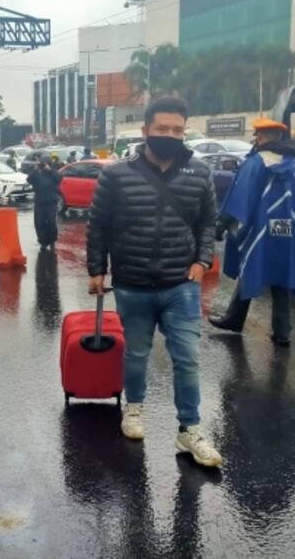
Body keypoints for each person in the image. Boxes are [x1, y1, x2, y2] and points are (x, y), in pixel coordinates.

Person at [87, 97, 222, 468]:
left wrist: (202, 260)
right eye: (162, 129)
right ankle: (133, 409)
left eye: (177, 130)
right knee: (137, 352)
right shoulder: (116, 175)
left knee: (188, 359)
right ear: (145, 131)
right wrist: (96, 270)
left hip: (182, 283)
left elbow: (208, 222)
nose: (170, 135)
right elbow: (98, 225)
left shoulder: (199, 173)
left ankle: (189, 430)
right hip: (132, 282)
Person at [209, 118, 295, 346]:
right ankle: (282, 333)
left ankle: (233, 319)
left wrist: (221, 226)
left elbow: (241, 199)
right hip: (291, 230)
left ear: (260, 136)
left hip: (263, 231)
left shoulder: (257, 161)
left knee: (251, 267)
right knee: (282, 278)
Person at [27, 154, 62, 250]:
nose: (43, 166)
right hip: (39, 202)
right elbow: (29, 180)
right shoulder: (37, 173)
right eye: (42, 164)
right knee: (39, 223)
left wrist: (49, 170)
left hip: (51, 202)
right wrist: (35, 169)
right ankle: (43, 242)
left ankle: (52, 241)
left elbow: (59, 179)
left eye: (45, 164)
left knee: (51, 222)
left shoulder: (53, 172)